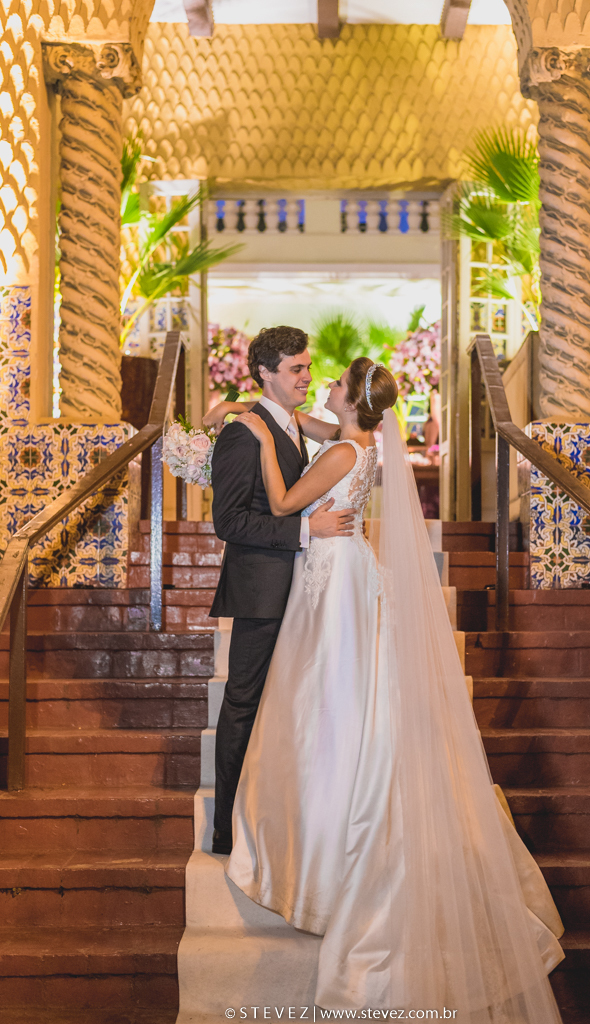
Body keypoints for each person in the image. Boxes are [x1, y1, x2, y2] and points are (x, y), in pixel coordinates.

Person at [220, 356, 565, 1019]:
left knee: (326, 691)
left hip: (330, 570)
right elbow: (317, 420)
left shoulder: (341, 452)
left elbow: (287, 503)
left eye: (334, 384)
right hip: (347, 570)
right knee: (344, 685)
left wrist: (264, 441)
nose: (321, 385)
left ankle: (331, 818)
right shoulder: (364, 438)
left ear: (352, 399)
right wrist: (262, 410)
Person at [207, 325, 355, 855]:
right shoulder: (243, 434)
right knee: (244, 701)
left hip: (303, 589)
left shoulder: (290, 423)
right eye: (296, 369)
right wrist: (303, 531)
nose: (307, 377)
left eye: (308, 367)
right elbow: (228, 522)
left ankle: (270, 816)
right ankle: (226, 828)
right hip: (261, 590)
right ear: (266, 372)